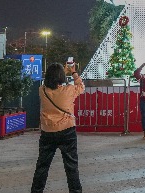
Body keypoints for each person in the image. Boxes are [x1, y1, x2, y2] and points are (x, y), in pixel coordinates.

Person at [31, 62, 85, 193]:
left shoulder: (42, 90)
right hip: (67, 131)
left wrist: (62, 72)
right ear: (62, 77)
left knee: (42, 166)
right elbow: (81, 86)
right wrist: (73, 72)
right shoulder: (69, 90)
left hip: (48, 132)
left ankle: (36, 191)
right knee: (71, 166)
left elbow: (54, 81)